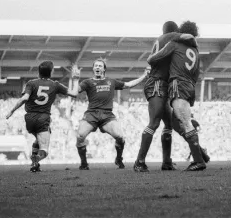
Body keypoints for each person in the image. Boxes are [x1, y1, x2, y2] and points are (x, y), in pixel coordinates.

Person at [134, 21, 197, 172]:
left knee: (168, 125)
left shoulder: (160, 40)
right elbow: (189, 36)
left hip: (159, 83)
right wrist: (194, 41)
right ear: (174, 31)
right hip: (157, 84)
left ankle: (167, 162)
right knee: (154, 122)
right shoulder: (173, 37)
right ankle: (139, 162)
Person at [147, 20, 206, 171]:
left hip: (177, 83)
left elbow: (153, 58)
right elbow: (197, 73)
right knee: (177, 121)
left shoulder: (175, 44)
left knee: (185, 122)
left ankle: (199, 161)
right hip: (190, 86)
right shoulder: (195, 50)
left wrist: (152, 60)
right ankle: (200, 154)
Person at [6, 61, 81, 172]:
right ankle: (36, 159)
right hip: (43, 118)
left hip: (29, 119)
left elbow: (25, 98)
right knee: (44, 150)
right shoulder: (55, 85)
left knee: (37, 140)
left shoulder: (31, 83)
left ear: (39, 71)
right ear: (51, 72)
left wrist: (12, 111)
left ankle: (34, 165)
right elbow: (74, 93)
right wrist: (75, 79)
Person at [76, 58, 149, 170]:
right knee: (80, 136)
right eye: (95, 66)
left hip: (107, 115)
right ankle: (84, 164)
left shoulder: (111, 82)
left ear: (104, 69)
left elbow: (128, 85)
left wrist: (144, 76)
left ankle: (119, 158)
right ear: (93, 68)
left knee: (120, 137)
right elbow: (74, 92)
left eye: (100, 66)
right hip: (91, 114)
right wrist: (75, 78)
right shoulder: (87, 82)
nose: (97, 67)